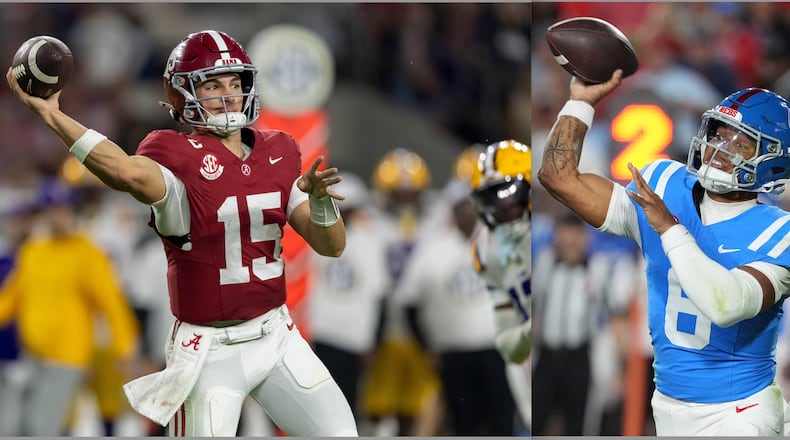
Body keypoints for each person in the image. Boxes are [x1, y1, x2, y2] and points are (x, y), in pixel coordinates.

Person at [6, 30, 357, 437]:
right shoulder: (175, 154)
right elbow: (123, 171)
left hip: (277, 334)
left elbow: (332, 246)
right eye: (212, 85)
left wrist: (320, 203)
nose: (228, 95)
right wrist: (52, 115)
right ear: (182, 96)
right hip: (208, 349)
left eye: (234, 82)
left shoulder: (278, 150)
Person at [537, 68, 790, 436]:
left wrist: (669, 228)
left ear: (773, 159)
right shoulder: (665, 185)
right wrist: (580, 103)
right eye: (719, 134)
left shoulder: (779, 231)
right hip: (669, 406)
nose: (720, 149)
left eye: (741, 143)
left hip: (741, 412)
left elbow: (727, 305)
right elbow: (558, 177)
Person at [0, 179, 140, 436]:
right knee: (18, 426)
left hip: (67, 356)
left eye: (63, 209)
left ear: (72, 212)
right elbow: (11, 299)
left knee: (42, 427)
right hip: (32, 354)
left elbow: (111, 303)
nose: (57, 217)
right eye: (51, 210)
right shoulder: (33, 251)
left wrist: (124, 346)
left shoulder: (87, 253)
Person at [393, 177, 516, 435]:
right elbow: (409, 302)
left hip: (495, 349)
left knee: (501, 420)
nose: (469, 212)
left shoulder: (500, 245)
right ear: (452, 211)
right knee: (463, 424)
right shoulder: (432, 251)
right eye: (463, 207)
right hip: (453, 352)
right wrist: (426, 347)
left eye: (473, 205)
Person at [468, 140, 531, 432]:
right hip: (528, 361)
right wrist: (527, 332)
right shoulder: (486, 248)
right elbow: (507, 345)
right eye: (491, 197)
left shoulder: (551, 233)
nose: (502, 206)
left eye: (508, 192)